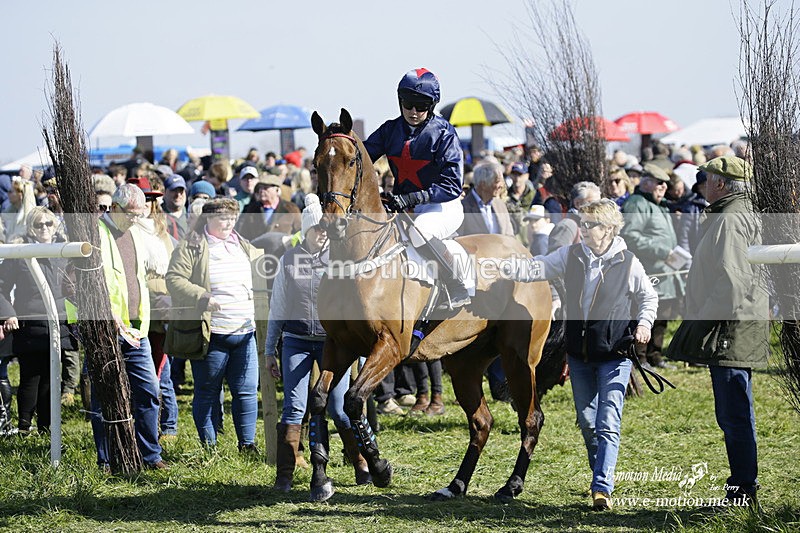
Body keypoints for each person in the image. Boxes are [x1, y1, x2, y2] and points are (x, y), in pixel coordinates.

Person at [503, 198, 658, 510]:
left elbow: (648, 296)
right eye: (583, 224)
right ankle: (601, 470)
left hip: (615, 354)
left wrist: (644, 324)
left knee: (607, 422)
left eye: (591, 225)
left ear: (609, 229)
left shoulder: (628, 262)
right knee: (588, 422)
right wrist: (506, 267)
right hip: (579, 356)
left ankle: (602, 487)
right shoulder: (570, 255)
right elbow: (538, 267)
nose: (584, 230)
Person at [665, 156, 769, 508]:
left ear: (721, 183)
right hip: (734, 326)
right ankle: (742, 488)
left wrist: (698, 323)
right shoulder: (736, 212)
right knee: (736, 413)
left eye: (706, 178)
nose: (701, 183)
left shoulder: (729, 219)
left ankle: (742, 493)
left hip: (728, 329)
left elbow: (731, 285)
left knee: (734, 414)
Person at [265, 194, 371, 491]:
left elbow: (356, 306)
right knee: (294, 408)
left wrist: (362, 352)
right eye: (316, 229)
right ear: (306, 230)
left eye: (325, 229)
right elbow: (277, 308)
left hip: (333, 344)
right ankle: (284, 476)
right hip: (296, 342)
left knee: (339, 408)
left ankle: (361, 462)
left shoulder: (340, 260)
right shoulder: (288, 259)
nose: (322, 234)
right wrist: (270, 350)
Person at [364, 67, 470, 309]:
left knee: (419, 231)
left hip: (442, 205)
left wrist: (413, 198)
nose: (413, 111)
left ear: (431, 106)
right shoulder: (389, 130)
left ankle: (457, 285)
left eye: (421, 106)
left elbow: (452, 185)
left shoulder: (444, 133)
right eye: (408, 104)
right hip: (405, 206)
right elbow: (361, 158)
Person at [165, 198, 260, 453]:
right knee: (207, 391)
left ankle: (247, 445)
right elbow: (174, 278)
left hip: (245, 331)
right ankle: (210, 448)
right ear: (208, 219)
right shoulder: (192, 246)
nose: (228, 223)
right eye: (222, 218)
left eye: (232, 218)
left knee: (247, 391)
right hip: (212, 332)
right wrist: (202, 297)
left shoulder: (243, 245)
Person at [90, 184, 166, 469]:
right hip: (105, 331)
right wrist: (106, 315)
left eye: (139, 214)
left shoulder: (135, 232)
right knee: (103, 397)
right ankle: (106, 459)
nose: (135, 219)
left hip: (136, 330)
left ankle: (150, 455)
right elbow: (80, 283)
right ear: (115, 208)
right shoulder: (96, 233)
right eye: (131, 214)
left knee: (148, 391)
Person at [0, 207, 78, 434]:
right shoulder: (20, 253)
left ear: (55, 226)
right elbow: (1, 286)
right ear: (31, 228)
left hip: (59, 324)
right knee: (31, 376)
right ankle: (24, 427)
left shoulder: (63, 251)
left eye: (48, 223)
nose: (44, 228)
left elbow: (73, 288)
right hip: (30, 324)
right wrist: (8, 314)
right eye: (39, 224)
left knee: (52, 377)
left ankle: (47, 427)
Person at [620, 164, 685, 369]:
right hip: (647, 270)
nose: (664, 187)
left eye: (665, 184)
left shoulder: (660, 205)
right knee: (644, 313)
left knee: (662, 314)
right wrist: (662, 251)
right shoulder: (637, 203)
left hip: (665, 271)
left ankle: (655, 355)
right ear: (646, 183)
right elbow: (630, 236)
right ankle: (639, 357)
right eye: (659, 183)